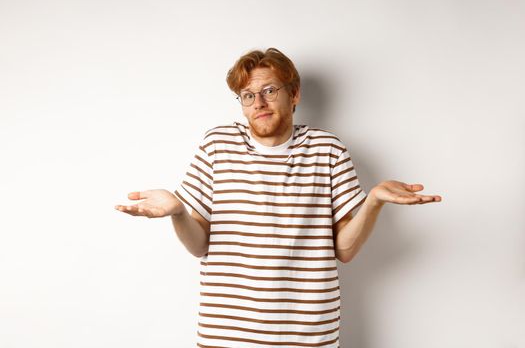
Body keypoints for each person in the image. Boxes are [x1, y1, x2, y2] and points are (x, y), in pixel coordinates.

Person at [115, 47, 442, 347]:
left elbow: (344, 249)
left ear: (294, 94)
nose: (258, 103)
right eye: (247, 95)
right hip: (227, 335)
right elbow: (200, 245)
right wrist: (178, 213)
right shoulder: (218, 145)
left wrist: (372, 203)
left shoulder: (327, 149)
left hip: (308, 335)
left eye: (269, 90)